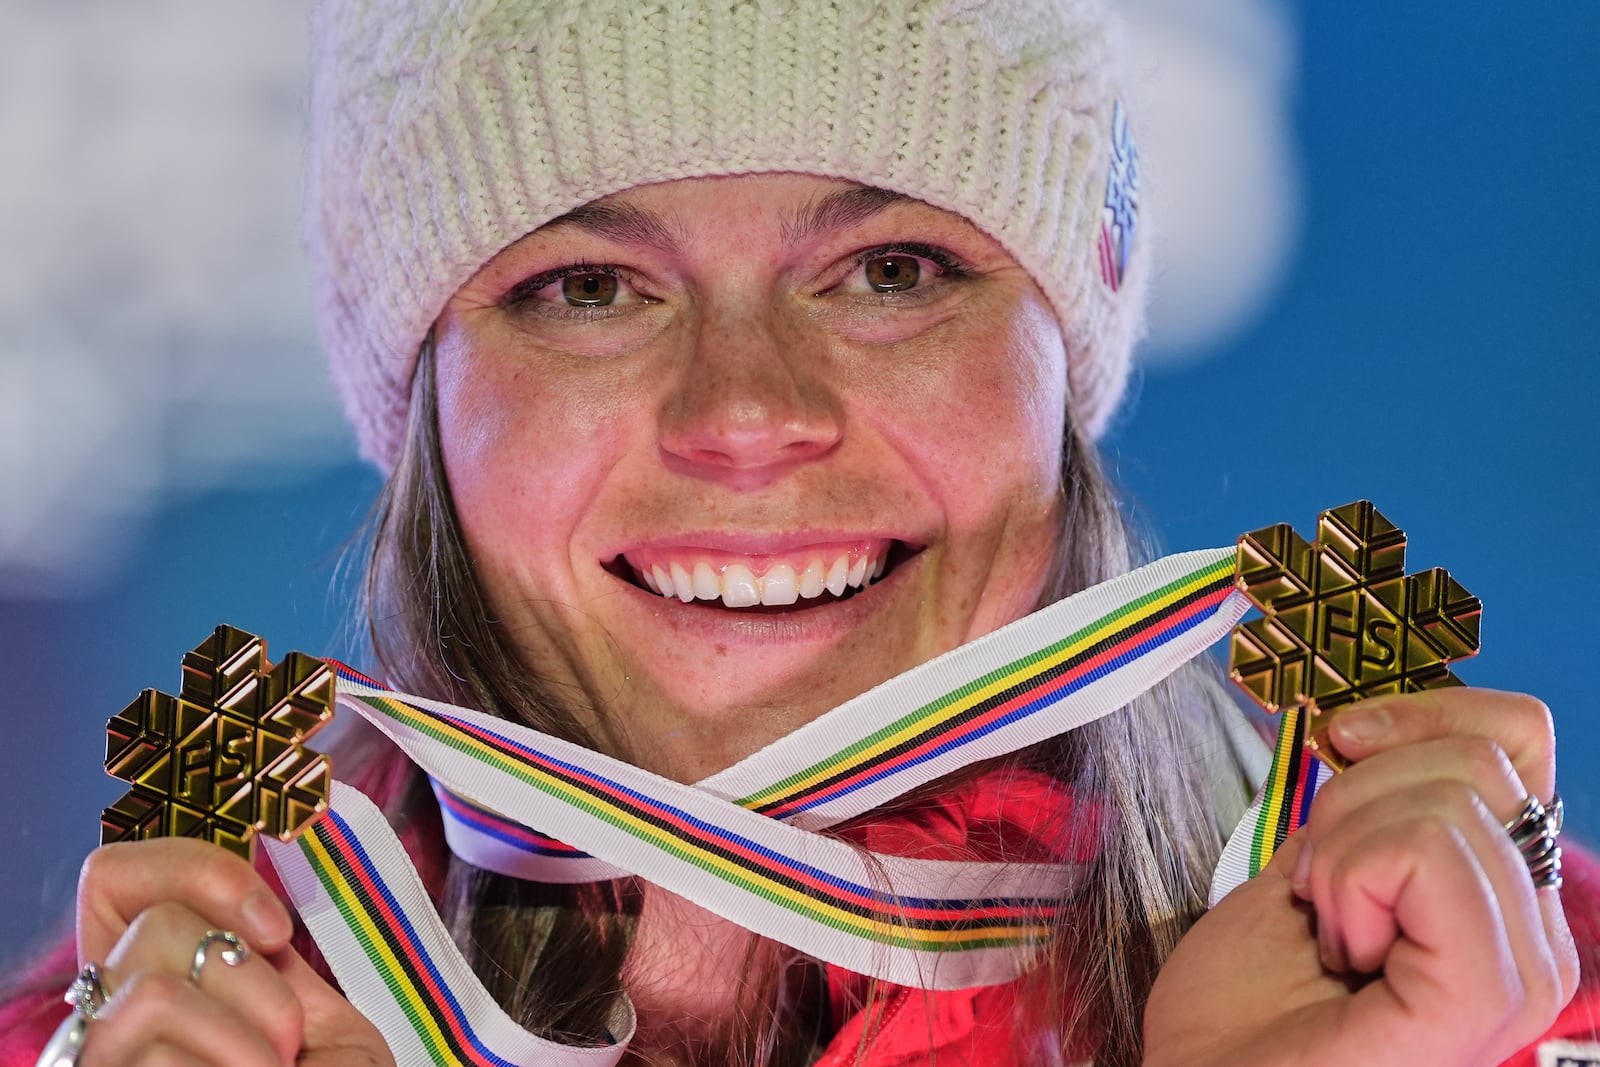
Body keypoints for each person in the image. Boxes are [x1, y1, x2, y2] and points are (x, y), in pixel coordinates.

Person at [3, 1, 1597, 1064]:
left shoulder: (1501, 993)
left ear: (1069, 354)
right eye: (588, 289)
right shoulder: (145, 1032)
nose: (748, 414)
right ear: (422, 408)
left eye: (891, 270)